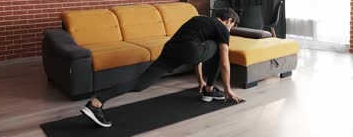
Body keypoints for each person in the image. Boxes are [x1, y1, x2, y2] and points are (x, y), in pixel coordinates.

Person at [80, 8, 242, 127]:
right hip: (190, 50)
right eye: (232, 26)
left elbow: (198, 55)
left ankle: (96, 102)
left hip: (171, 49)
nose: (230, 30)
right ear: (229, 21)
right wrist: (227, 89)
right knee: (220, 50)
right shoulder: (221, 28)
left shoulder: (199, 20)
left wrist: (200, 80)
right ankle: (210, 89)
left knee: (139, 84)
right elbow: (224, 62)